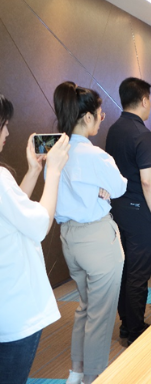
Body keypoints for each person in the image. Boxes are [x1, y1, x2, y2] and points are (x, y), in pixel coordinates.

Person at [52, 82, 128, 384]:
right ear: (87, 117)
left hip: (69, 239)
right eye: (100, 113)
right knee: (100, 315)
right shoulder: (94, 155)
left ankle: (76, 372)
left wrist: (96, 189)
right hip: (97, 240)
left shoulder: (57, 152)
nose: (102, 118)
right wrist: (100, 189)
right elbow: (119, 187)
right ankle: (93, 377)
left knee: (85, 307)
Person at [0, 95, 70, 384]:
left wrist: (33, 171)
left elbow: (11, 212)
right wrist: (53, 173)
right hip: (15, 310)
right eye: (3, 124)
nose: (7, 132)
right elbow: (39, 224)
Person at [106, 78, 151, 346]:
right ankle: (136, 329)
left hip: (118, 209)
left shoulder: (114, 129)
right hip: (140, 211)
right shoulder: (142, 133)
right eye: (149, 99)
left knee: (126, 269)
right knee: (138, 273)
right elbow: (148, 180)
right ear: (143, 100)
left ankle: (126, 325)